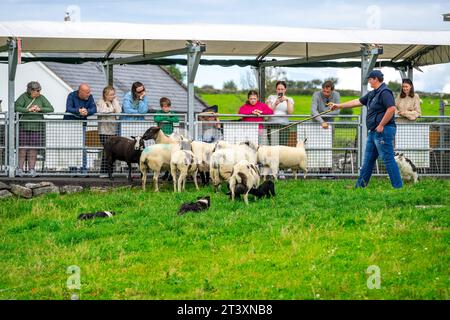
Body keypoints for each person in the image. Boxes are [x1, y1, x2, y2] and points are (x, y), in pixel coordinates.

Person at [329, 70, 402, 189]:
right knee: (368, 160)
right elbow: (357, 101)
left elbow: (391, 108)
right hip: (373, 132)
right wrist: (339, 106)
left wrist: (381, 125)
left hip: (383, 131)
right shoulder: (373, 93)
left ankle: (398, 187)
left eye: (370, 79)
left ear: (376, 79)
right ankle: (360, 186)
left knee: (388, 159)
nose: (368, 81)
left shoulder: (385, 92)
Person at [14, 81, 54, 177]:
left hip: (37, 128)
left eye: (39, 90)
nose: (39, 92)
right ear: (30, 90)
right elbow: (16, 107)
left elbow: (51, 109)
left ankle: (32, 169)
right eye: (37, 90)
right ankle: (20, 169)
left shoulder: (41, 98)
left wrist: (40, 109)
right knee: (22, 148)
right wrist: (28, 110)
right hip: (23, 126)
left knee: (33, 149)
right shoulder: (23, 97)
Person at [64, 83, 97, 174]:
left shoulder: (90, 97)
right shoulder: (71, 95)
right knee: (71, 146)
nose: (89, 94)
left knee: (83, 146)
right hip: (71, 124)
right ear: (80, 92)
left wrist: (87, 111)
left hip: (82, 124)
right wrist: (79, 110)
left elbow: (94, 109)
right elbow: (69, 108)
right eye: (87, 92)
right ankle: (73, 168)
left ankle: (83, 168)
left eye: (89, 92)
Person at [96, 86, 122, 177]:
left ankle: (110, 171)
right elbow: (102, 110)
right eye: (111, 95)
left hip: (113, 131)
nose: (112, 96)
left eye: (113, 94)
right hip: (103, 131)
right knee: (107, 151)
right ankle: (103, 172)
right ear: (105, 95)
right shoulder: (100, 102)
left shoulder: (114, 101)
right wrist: (112, 110)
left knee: (113, 151)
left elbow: (119, 111)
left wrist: (114, 102)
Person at [265, 80, 294, 146]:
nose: (280, 91)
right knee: (274, 147)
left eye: (282, 89)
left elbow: (290, 113)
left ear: (285, 90)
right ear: (276, 89)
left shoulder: (290, 99)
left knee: (283, 147)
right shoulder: (271, 97)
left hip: (284, 125)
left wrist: (287, 100)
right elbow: (268, 112)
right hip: (272, 125)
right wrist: (275, 103)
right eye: (278, 89)